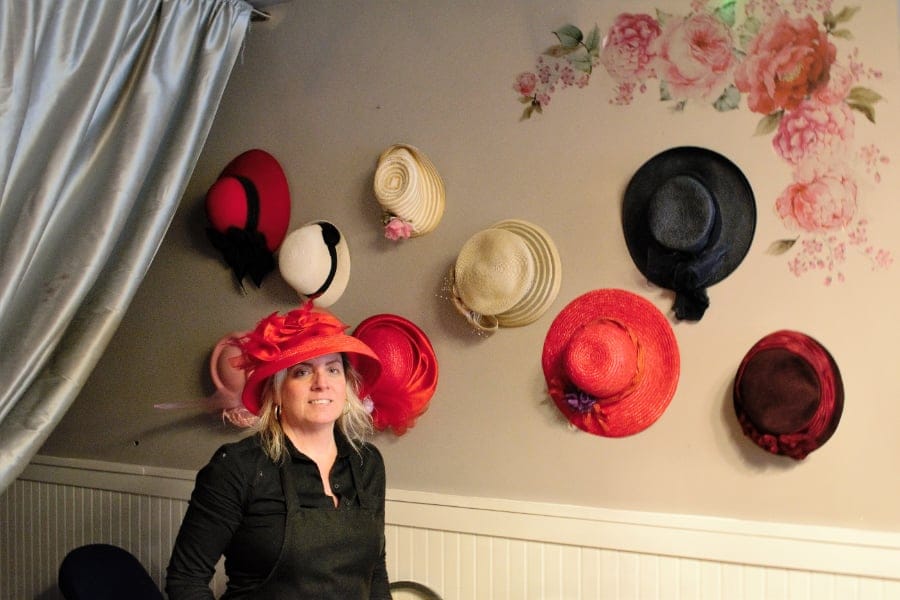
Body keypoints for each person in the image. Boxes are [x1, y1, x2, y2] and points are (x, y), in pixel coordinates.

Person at [166, 302, 392, 599]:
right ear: (276, 391)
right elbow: (186, 580)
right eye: (302, 372)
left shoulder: (367, 463)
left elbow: (375, 572)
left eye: (333, 369)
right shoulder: (238, 467)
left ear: (346, 384)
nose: (322, 383)